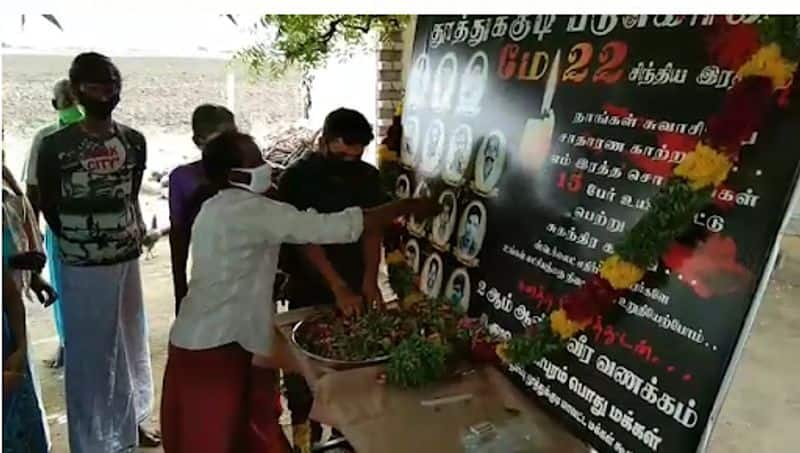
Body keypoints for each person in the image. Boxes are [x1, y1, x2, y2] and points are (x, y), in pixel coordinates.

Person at [161, 130, 438, 453]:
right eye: (256, 161)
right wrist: (406, 205)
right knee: (214, 439)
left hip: (210, 336)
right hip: (215, 346)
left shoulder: (217, 205)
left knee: (247, 428)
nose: (265, 166)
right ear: (234, 173)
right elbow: (332, 227)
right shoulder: (250, 211)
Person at [36, 52, 160, 451]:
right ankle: (90, 443)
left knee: (129, 345)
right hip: (80, 265)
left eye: (111, 83)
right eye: (94, 84)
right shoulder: (54, 146)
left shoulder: (134, 140)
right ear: (75, 91)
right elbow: (47, 202)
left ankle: (131, 427)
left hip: (126, 260)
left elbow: (131, 195)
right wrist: (78, 241)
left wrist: (128, 232)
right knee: (90, 356)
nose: (105, 91)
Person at [277, 107, 388, 450]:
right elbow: (304, 237)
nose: (349, 163)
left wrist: (369, 282)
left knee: (354, 374)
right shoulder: (297, 178)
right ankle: (305, 441)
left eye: (356, 157)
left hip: (354, 284)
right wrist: (336, 286)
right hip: (309, 285)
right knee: (303, 376)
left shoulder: (368, 176)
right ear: (324, 142)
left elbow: (372, 230)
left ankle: (346, 439)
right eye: (341, 155)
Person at [23, 78, 84, 368]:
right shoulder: (45, 140)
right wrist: (33, 243)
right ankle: (67, 344)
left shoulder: (98, 137)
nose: (74, 107)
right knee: (66, 293)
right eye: (67, 101)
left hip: (96, 232)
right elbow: (31, 195)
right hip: (60, 231)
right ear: (55, 105)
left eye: (77, 100)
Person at [3, 165, 57, 453]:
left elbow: (9, 293)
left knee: (19, 411)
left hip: (9, 321)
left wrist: (32, 275)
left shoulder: (7, 180)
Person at [169, 104, 236, 315]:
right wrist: (180, 290)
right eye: (221, 142)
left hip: (252, 282)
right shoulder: (183, 179)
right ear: (198, 142)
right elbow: (179, 237)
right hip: (208, 281)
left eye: (234, 139)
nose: (231, 147)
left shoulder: (252, 175)